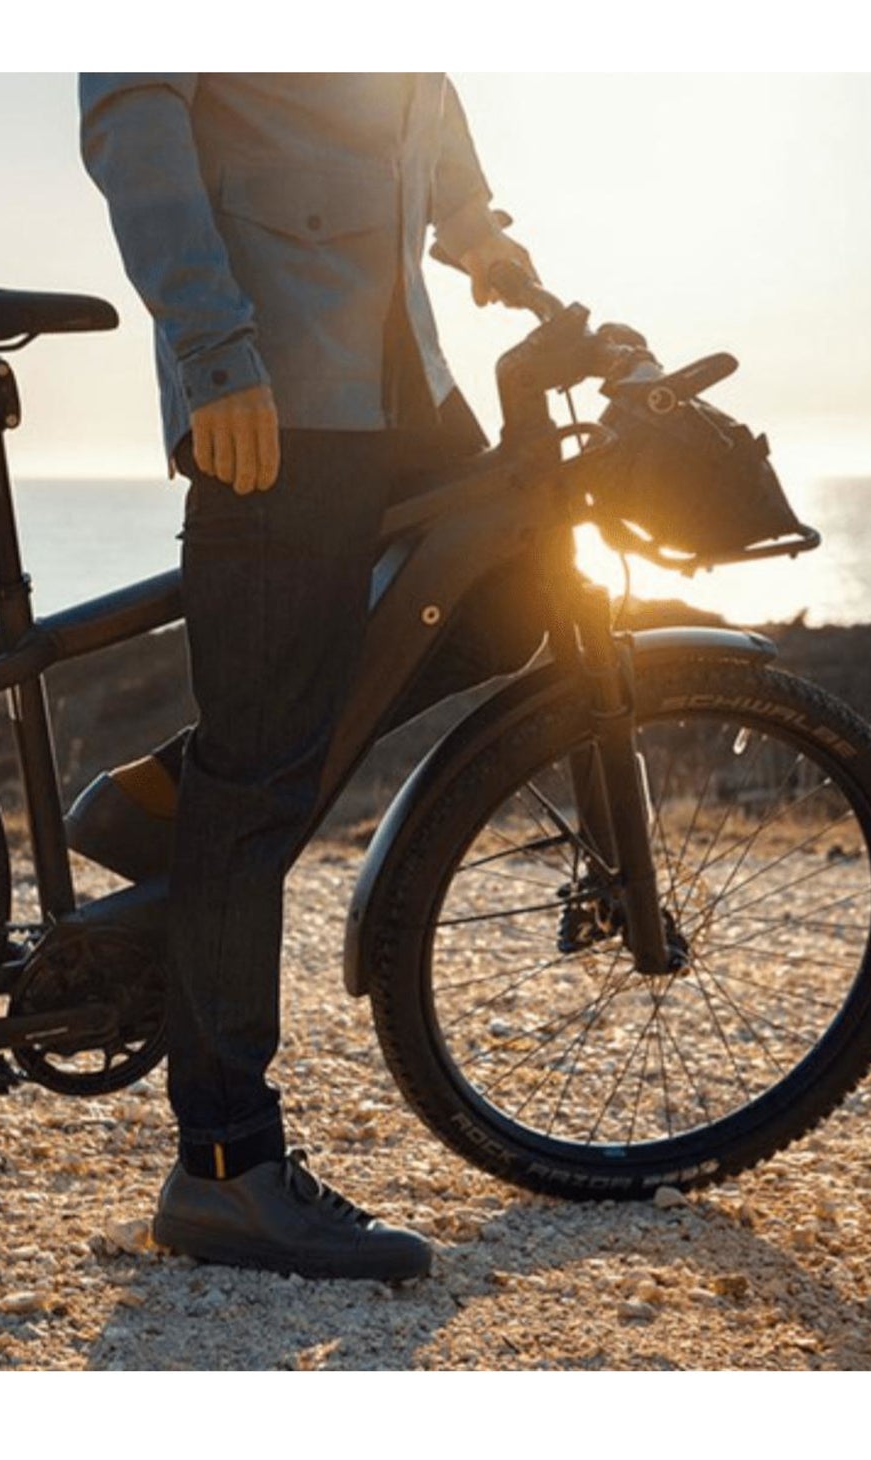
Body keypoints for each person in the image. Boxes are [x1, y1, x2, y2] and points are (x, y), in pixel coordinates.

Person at [78, 73, 536, 1281]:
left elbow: (409, 85)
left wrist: (473, 225)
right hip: (274, 382)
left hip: (405, 386)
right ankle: (223, 1167)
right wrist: (212, 348)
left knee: (515, 597)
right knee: (258, 769)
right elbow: (132, 111)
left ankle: (167, 802)